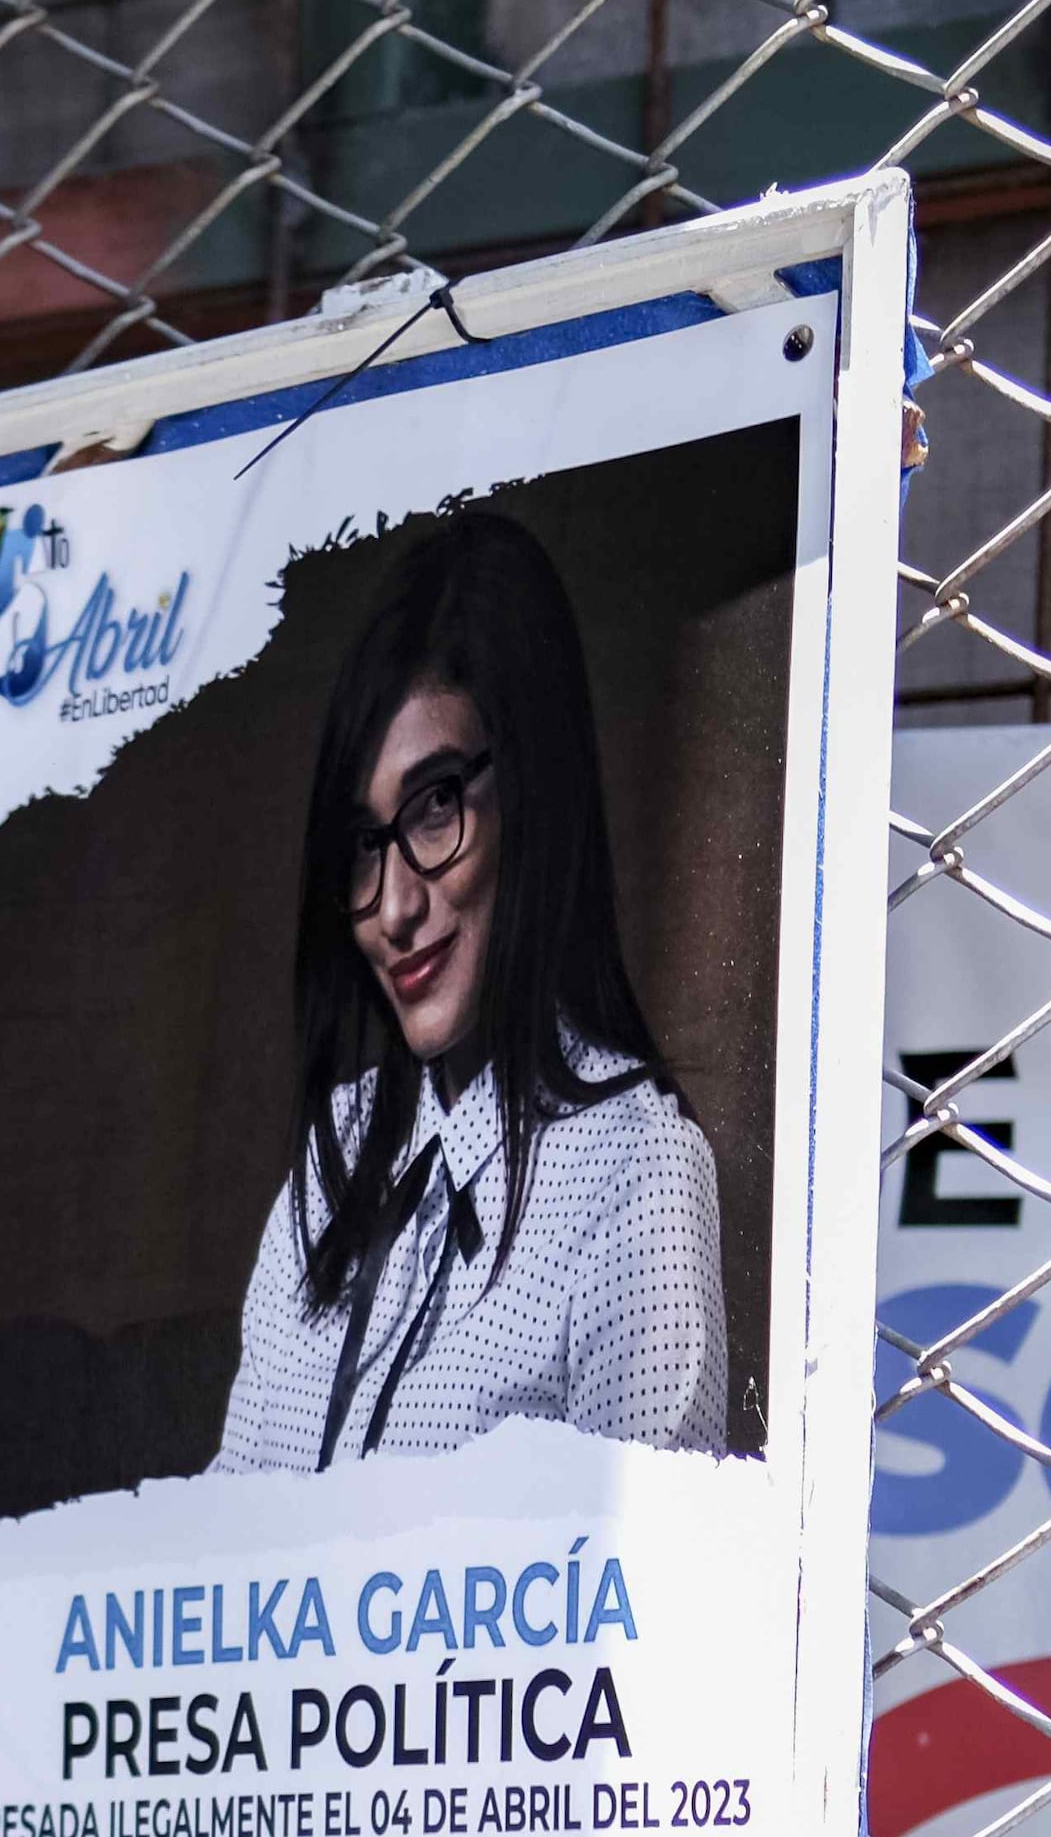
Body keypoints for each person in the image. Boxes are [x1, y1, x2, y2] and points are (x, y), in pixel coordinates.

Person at [208, 511, 730, 1470]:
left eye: (436, 804)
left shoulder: (633, 1170)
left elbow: (648, 1604)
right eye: (366, 843)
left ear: (536, 793)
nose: (395, 908)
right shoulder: (332, 1162)